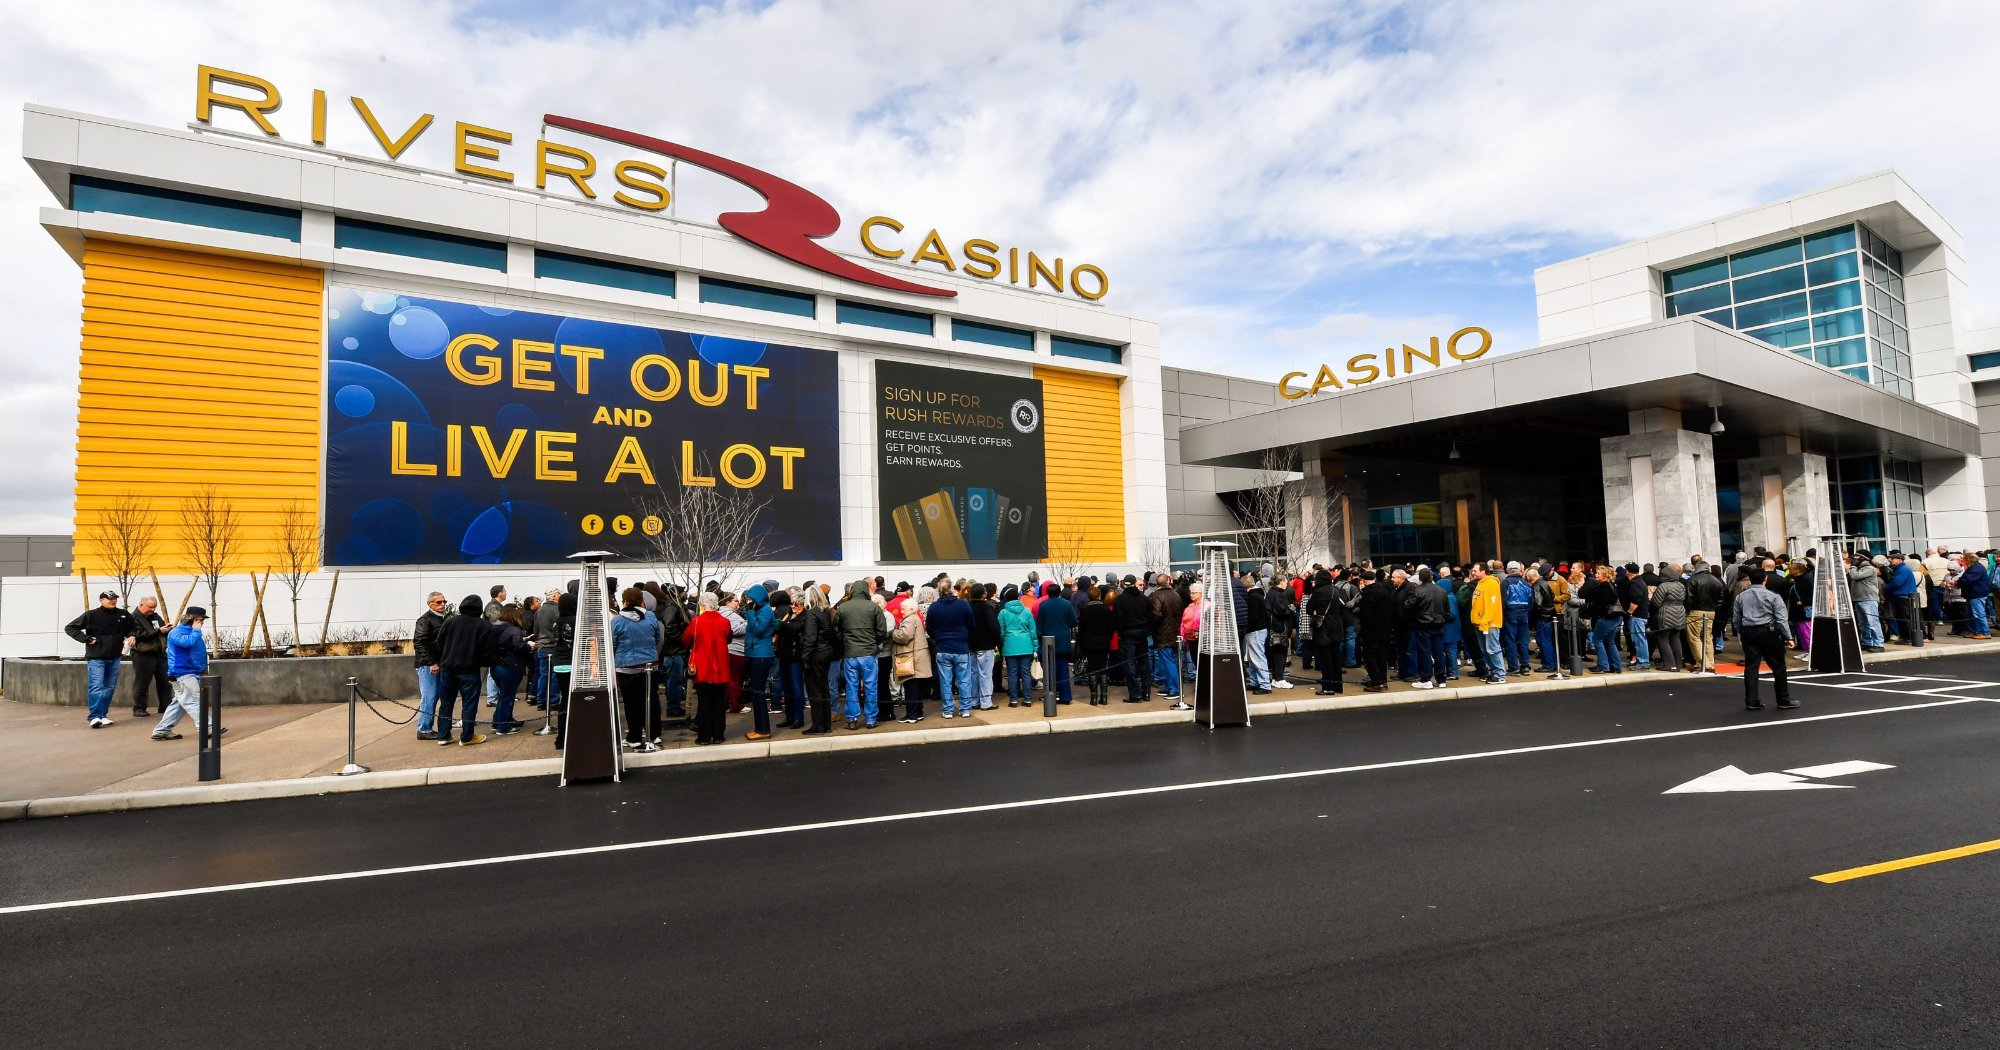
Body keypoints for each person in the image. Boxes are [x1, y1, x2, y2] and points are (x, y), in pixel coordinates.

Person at [150, 607, 222, 742]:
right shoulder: (177, 632)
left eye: (201, 620)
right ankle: (207, 727)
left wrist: (201, 668)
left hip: (190, 672)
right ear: (191, 619)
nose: (201, 622)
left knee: (180, 703)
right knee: (194, 700)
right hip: (182, 672)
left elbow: (196, 651)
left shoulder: (192, 632)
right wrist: (196, 630)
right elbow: (187, 643)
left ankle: (162, 730)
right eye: (199, 619)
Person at [66, 590, 135, 728]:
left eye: (114, 598)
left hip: (115, 656)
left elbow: (132, 627)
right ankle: (94, 716)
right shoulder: (91, 615)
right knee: (97, 686)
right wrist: (86, 639)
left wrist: (131, 635)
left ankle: (103, 715)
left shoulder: (123, 614)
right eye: (109, 598)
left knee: (109, 687)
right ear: (101, 600)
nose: (112, 601)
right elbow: (70, 628)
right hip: (96, 656)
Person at [1733, 569, 1796, 710]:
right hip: (1769, 631)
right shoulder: (1773, 596)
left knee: (1751, 666)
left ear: (1750, 580)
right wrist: (1788, 637)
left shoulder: (1741, 596)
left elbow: (1736, 618)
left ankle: (1751, 700)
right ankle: (1783, 699)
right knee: (1778, 666)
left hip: (1748, 631)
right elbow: (1781, 619)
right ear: (1765, 579)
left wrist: (1741, 632)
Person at [433, 595, 489, 747]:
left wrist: (446, 655)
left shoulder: (450, 621)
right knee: (469, 703)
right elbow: (487, 649)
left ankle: (443, 735)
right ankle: (467, 737)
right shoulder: (482, 625)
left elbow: (440, 641)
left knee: (446, 703)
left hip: (447, 668)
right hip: (469, 669)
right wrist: (483, 661)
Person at [609, 588, 661, 748]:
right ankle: (654, 734)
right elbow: (657, 637)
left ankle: (635, 736)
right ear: (641, 601)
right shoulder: (651, 616)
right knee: (651, 700)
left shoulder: (617, 621)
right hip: (650, 664)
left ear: (625, 601)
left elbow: (612, 643)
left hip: (627, 667)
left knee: (632, 703)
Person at [684, 592, 733, 745]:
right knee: (719, 702)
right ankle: (718, 734)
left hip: (702, 667)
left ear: (702, 605)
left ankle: (704, 736)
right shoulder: (724, 621)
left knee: (704, 702)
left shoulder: (696, 622)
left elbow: (685, 640)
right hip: (720, 666)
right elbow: (728, 638)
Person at [835, 579, 883, 729]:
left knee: (851, 687)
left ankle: (852, 718)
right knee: (870, 686)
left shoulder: (842, 608)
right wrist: (874, 641)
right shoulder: (874, 607)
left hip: (850, 653)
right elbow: (882, 631)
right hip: (868, 653)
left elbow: (836, 630)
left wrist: (844, 641)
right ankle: (871, 719)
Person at [924, 581, 976, 717]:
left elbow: (929, 628)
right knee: (964, 680)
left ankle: (948, 710)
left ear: (939, 592)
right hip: (961, 646)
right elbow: (971, 625)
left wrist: (938, 637)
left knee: (945, 681)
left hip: (943, 647)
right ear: (952, 589)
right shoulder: (963, 605)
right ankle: (965, 709)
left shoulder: (934, 607)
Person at [487, 604, 534, 736]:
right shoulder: (515, 630)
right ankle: (503, 727)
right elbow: (518, 646)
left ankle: (497, 723)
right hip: (511, 666)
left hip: (496, 666)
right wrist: (530, 647)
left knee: (503, 696)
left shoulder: (494, 627)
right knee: (507, 697)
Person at [740, 585, 778, 739]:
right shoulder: (760, 610)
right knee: (756, 693)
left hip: (760, 656)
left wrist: (749, 611)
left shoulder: (765, 610)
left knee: (758, 693)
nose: (748, 601)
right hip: (756, 653)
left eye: (750, 598)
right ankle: (760, 728)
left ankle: (763, 730)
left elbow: (758, 630)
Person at [799, 586, 838, 734]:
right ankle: (825, 725)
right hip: (826, 652)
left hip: (816, 654)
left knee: (815, 691)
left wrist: (805, 657)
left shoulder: (811, 614)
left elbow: (810, 638)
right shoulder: (826, 612)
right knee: (824, 689)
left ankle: (818, 726)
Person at [890, 588, 932, 723]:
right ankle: (918, 713)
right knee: (917, 688)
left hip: (911, 659)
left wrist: (892, 633)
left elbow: (904, 636)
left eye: (903, 609)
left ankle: (911, 715)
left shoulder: (909, 620)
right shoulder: (916, 618)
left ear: (910, 609)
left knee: (911, 688)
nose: (901, 611)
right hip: (918, 657)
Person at [412, 591, 449, 740]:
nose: (442, 605)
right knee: (430, 696)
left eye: (444, 602)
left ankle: (427, 727)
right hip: (428, 665)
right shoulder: (425, 620)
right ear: (430, 604)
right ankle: (424, 728)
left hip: (439, 663)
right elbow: (419, 642)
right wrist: (431, 663)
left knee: (436, 695)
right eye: (439, 602)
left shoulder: (442, 619)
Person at [127, 596, 171, 719]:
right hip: (142, 653)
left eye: (154, 607)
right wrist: (158, 632)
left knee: (165, 681)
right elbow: (137, 635)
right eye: (150, 607)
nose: (152, 609)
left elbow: (160, 628)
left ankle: (166, 706)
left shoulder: (155, 616)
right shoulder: (133, 618)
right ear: (141, 605)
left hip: (159, 652)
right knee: (142, 682)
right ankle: (139, 708)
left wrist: (167, 628)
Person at [1113, 575, 1154, 702]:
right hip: (1142, 633)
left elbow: (1118, 619)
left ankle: (1135, 693)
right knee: (1144, 663)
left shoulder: (1120, 599)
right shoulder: (1144, 598)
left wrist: (1122, 632)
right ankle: (1146, 692)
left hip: (1128, 634)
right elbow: (1150, 616)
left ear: (1124, 584)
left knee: (1129, 663)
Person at [1408, 568, 1451, 688]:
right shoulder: (1441, 591)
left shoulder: (1417, 591)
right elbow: (1447, 610)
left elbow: (1408, 606)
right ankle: (1441, 679)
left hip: (1423, 625)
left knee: (1425, 652)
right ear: (1432, 577)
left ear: (1420, 578)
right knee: (1439, 652)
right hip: (1439, 624)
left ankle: (1426, 679)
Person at [1036, 582, 1077, 706]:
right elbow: (1073, 621)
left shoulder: (1043, 605)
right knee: (1064, 669)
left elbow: (1039, 624)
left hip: (1048, 642)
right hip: (1063, 640)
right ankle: (1065, 696)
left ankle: (1051, 694)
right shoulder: (1067, 604)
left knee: (1049, 671)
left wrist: (1040, 639)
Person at [1579, 566, 1623, 674]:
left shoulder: (1603, 586)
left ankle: (1603, 665)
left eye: (1598, 573)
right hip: (1615, 617)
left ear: (1605, 575)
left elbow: (1601, 604)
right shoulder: (1612, 585)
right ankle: (1615, 666)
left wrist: (1590, 611)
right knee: (1610, 642)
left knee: (1597, 640)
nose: (1596, 575)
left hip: (1606, 617)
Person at [1356, 570, 1395, 693]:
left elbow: (1367, 617)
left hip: (1372, 632)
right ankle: (1383, 681)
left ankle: (1376, 682)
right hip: (1384, 630)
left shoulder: (1368, 595)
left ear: (1363, 581)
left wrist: (1363, 632)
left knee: (1369, 657)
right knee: (1382, 657)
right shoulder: (1384, 591)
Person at [998, 590, 1039, 706]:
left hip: (1010, 646)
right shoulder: (1027, 612)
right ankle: (1027, 699)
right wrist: (1035, 647)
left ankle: (1013, 699)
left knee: (1012, 673)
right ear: (1018, 597)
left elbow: (1001, 631)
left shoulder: (1003, 613)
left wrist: (1001, 644)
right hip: (1026, 645)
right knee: (1026, 673)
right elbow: (1032, 631)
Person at [1148, 573, 1185, 699]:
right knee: (1172, 660)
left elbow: (1156, 614)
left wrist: (1152, 627)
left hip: (1163, 633)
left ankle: (1174, 689)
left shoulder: (1157, 595)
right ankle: (1169, 686)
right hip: (1175, 631)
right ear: (1168, 581)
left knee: (1168, 662)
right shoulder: (1176, 594)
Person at [1079, 583, 1116, 706]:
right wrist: (1107, 637)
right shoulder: (1106, 610)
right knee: (1103, 668)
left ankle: (1093, 697)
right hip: (1104, 642)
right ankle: (1104, 696)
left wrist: (1081, 644)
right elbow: (1112, 627)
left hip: (1089, 643)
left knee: (1092, 669)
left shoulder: (1085, 611)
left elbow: (1082, 630)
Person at [1468, 561, 1504, 684]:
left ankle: (1499, 674)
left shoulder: (1491, 584)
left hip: (1489, 624)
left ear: (1483, 571)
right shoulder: (1481, 584)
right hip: (1481, 623)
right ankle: (1494, 671)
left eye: (1475, 571)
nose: (1472, 573)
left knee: (1492, 649)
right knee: (1486, 649)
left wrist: (1484, 621)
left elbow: (1492, 605)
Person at [1685, 561, 1723, 674]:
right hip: (1711, 611)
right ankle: (1710, 664)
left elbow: (1689, 598)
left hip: (1696, 611)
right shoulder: (1716, 580)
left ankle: (1703, 664)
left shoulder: (1692, 579)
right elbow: (1720, 599)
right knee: (1708, 638)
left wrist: (1687, 611)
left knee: (1694, 638)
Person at [969, 579, 1000, 711]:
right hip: (986, 645)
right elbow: (995, 627)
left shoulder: (967, 607)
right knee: (986, 674)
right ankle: (986, 702)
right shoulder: (988, 608)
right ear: (983, 594)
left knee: (973, 674)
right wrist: (996, 641)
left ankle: (974, 701)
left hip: (971, 644)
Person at [1650, 563, 1688, 673]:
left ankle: (1668, 664)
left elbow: (1656, 603)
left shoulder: (1663, 586)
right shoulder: (1681, 585)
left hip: (1665, 613)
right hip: (1680, 612)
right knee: (1675, 639)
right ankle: (1678, 664)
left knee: (1663, 639)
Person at [1500, 562, 1532, 676]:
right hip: (1524, 614)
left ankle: (1514, 667)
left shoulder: (1506, 583)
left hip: (1510, 613)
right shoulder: (1526, 583)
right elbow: (1530, 601)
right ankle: (1525, 666)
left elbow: (1503, 601)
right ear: (1519, 570)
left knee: (1510, 641)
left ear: (1508, 570)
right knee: (1523, 641)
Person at [533, 588, 563, 709]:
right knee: (555, 676)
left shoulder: (538, 611)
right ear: (554, 596)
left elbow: (535, 631)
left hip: (542, 646)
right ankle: (554, 701)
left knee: (543, 675)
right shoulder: (557, 610)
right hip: (554, 647)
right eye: (559, 594)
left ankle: (540, 700)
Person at [1884, 551, 1922, 647]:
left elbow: (1897, 583)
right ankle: (1906, 636)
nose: (1891, 560)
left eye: (1893, 559)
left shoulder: (1903, 570)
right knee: (1902, 618)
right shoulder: (1900, 569)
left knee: (1904, 618)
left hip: (1903, 596)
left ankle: (1907, 637)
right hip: (1902, 595)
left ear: (1900, 560)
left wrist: (1886, 587)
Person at [1960, 553, 1992, 639]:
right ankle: (1973, 631)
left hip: (1977, 594)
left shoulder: (1976, 568)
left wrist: (1958, 583)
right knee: (1970, 614)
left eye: (1965, 559)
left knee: (1978, 613)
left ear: (1969, 560)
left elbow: (1968, 580)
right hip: (1972, 594)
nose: (1964, 561)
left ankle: (1984, 632)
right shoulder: (1974, 567)